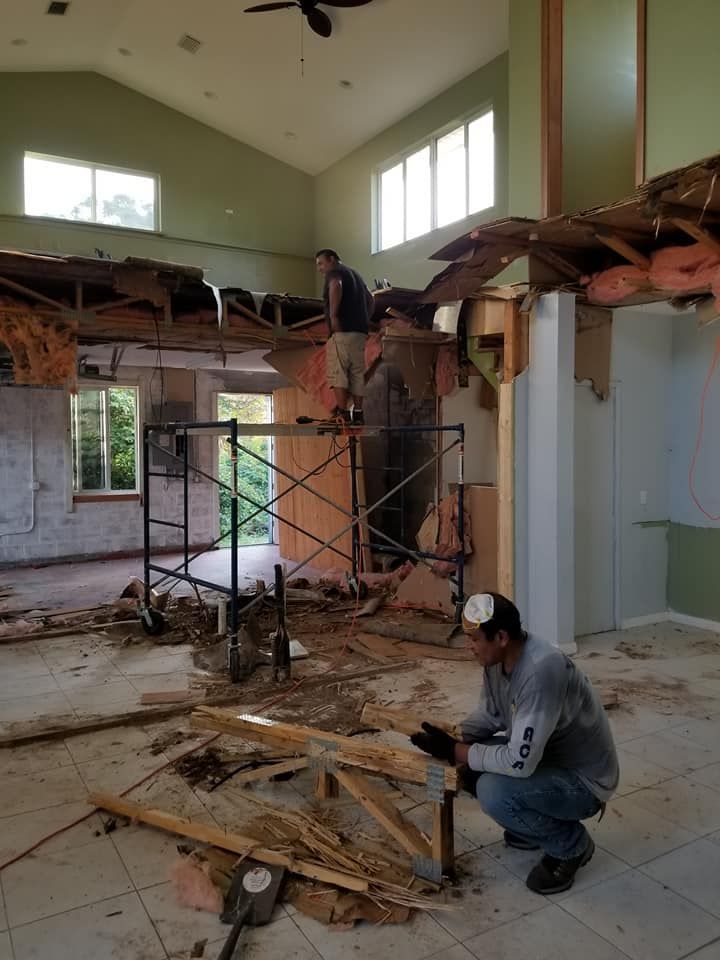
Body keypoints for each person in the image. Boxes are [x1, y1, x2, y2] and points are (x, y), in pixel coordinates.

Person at [410, 592, 619, 895]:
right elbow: (492, 715)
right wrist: (454, 735)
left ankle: (571, 845)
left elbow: (519, 762)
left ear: (502, 637)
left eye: (474, 639)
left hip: (584, 781)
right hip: (548, 757)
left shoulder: (540, 672)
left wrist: (456, 750)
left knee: (492, 791)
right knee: (472, 770)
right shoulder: (496, 659)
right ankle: (532, 825)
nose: (469, 647)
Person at [316, 249, 374, 425]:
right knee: (357, 373)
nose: (320, 269)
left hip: (342, 331)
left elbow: (336, 285)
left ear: (332, 260)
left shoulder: (335, 273)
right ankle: (358, 414)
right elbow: (371, 298)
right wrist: (365, 319)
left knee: (338, 372)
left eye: (321, 263)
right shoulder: (355, 274)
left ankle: (342, 414)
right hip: (360, 333)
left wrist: (334, 316)